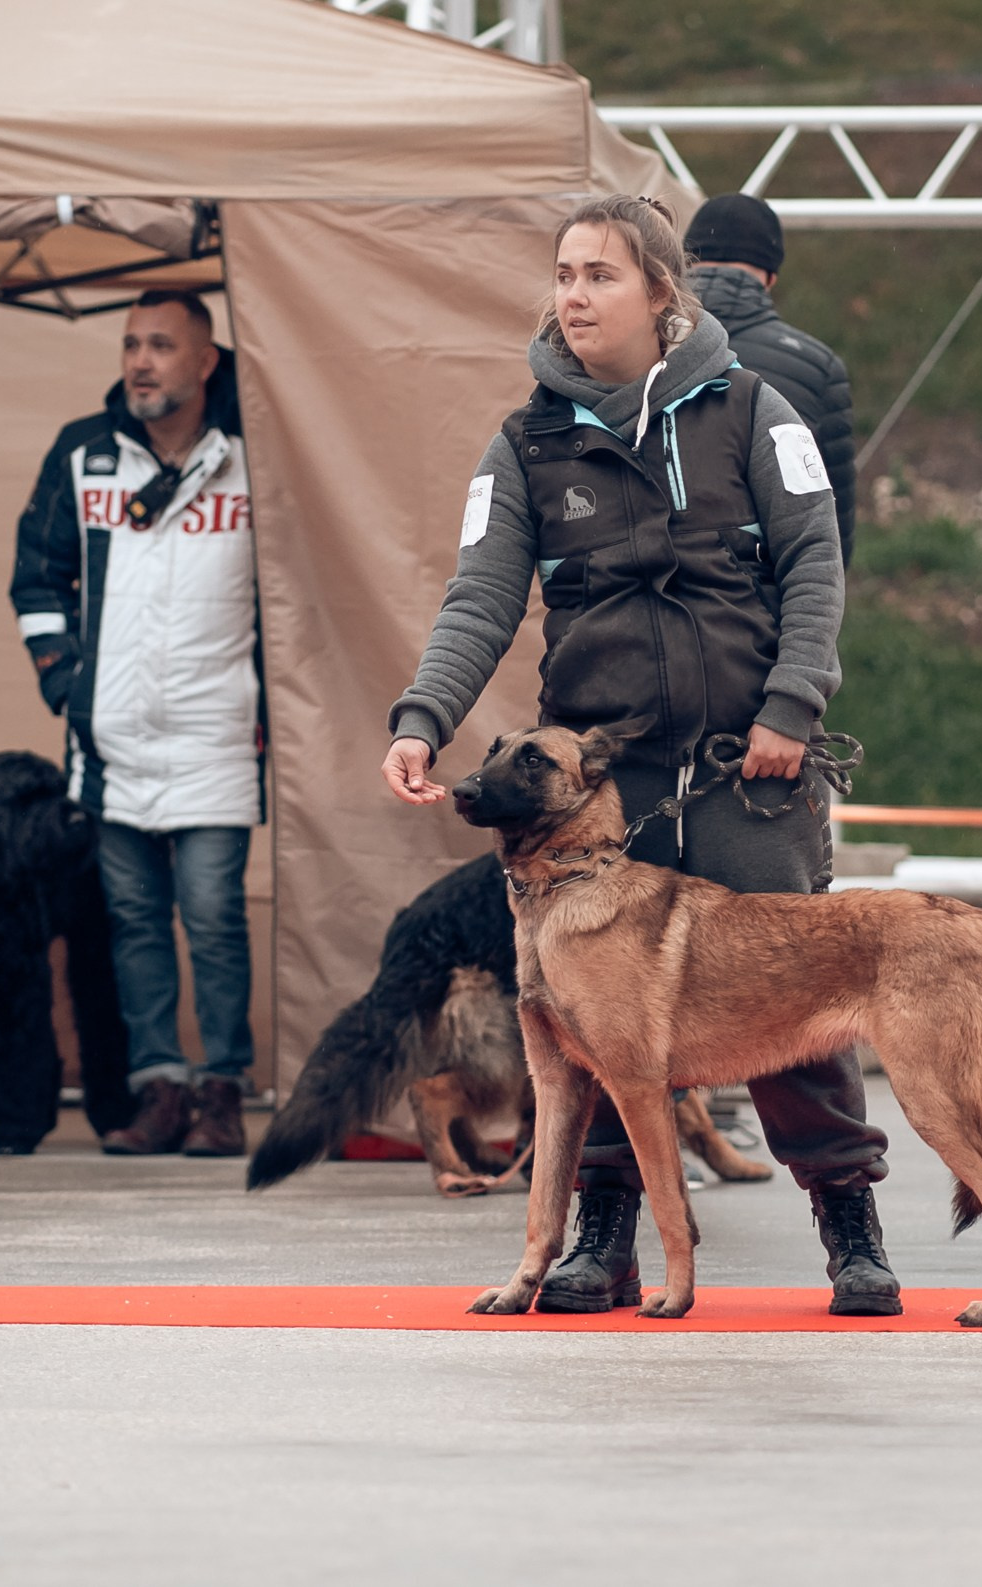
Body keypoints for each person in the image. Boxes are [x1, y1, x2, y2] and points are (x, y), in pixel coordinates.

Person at [382, 195, 901, 1317]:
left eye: (599, 275)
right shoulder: (523, 441)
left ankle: (850, 1223)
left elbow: (816, 561)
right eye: (563, 274)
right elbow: (479, 596)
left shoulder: (756, 409)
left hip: (746, 769)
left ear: (663, 290)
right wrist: (422, 716)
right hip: (597, 798)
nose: (572, 295)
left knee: (798, 1004)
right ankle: (601, 1238)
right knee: (590, 1027)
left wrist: (792, 706)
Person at [10, 288, 257, 1157]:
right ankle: (159, 1089)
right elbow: (35, 576)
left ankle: (222, 1089)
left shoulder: (249, 456)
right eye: (130, 345)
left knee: (213, 915)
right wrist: (64, 684)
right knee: (134, 923)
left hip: (219, 731)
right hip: (108, 740)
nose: (141, 361)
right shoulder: (83, 453)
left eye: (160, 344)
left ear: (205, 363)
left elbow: (291, 596)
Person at [683, 193, 858, 565]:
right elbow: (831, 532)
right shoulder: (817, 367)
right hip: (763, 605)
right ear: (771, 277)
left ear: (685, 263)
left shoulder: (632, 348)